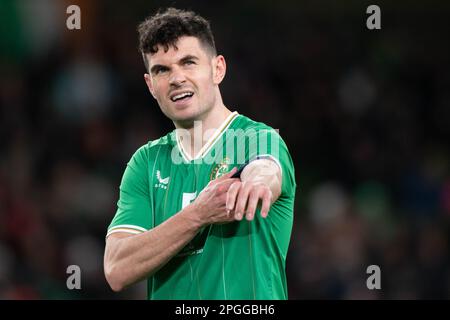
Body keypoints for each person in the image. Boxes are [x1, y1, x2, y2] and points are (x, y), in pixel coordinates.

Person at [104, 7, 296, 299]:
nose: (177, 78)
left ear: (218, 68)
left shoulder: (259, 138)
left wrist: (256, 183)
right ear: (150, 86)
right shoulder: (145, 162)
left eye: (188, 62)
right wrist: (198, 214)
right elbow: (117, 269)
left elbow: (265, 169)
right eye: (162, 70)